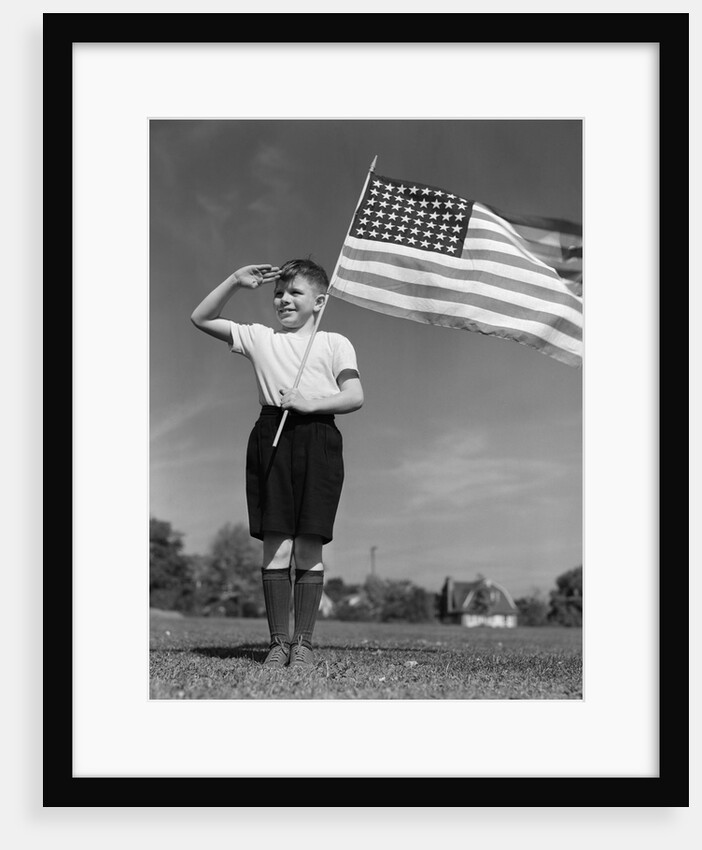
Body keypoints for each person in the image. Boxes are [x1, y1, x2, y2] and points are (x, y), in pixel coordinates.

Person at [190, 259, 363, 670]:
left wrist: (310, 402)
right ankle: (277, 644)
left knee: (308, 541)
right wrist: (235, 280)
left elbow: (354, 395)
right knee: (277, 541)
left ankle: (303, 644)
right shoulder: (259, 338)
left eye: (294, 293)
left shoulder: (335, 342)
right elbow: (200, 317)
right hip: (273, 434)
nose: (283, 299)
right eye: (278, 293)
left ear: (319, 301)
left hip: (319, 436)